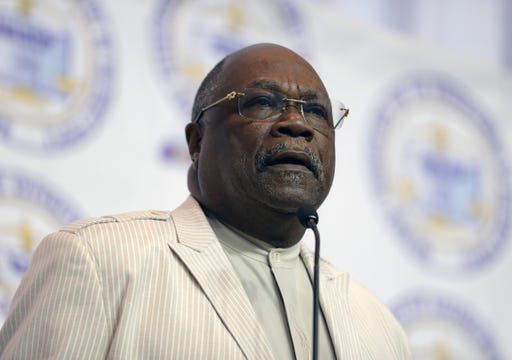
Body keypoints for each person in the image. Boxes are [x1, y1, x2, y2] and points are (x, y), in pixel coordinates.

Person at [0, 43, 411, 359]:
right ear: (197, 141)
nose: (296, 123)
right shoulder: (98, 259)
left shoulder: (377, 324)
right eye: (262, 103)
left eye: (316, 112)